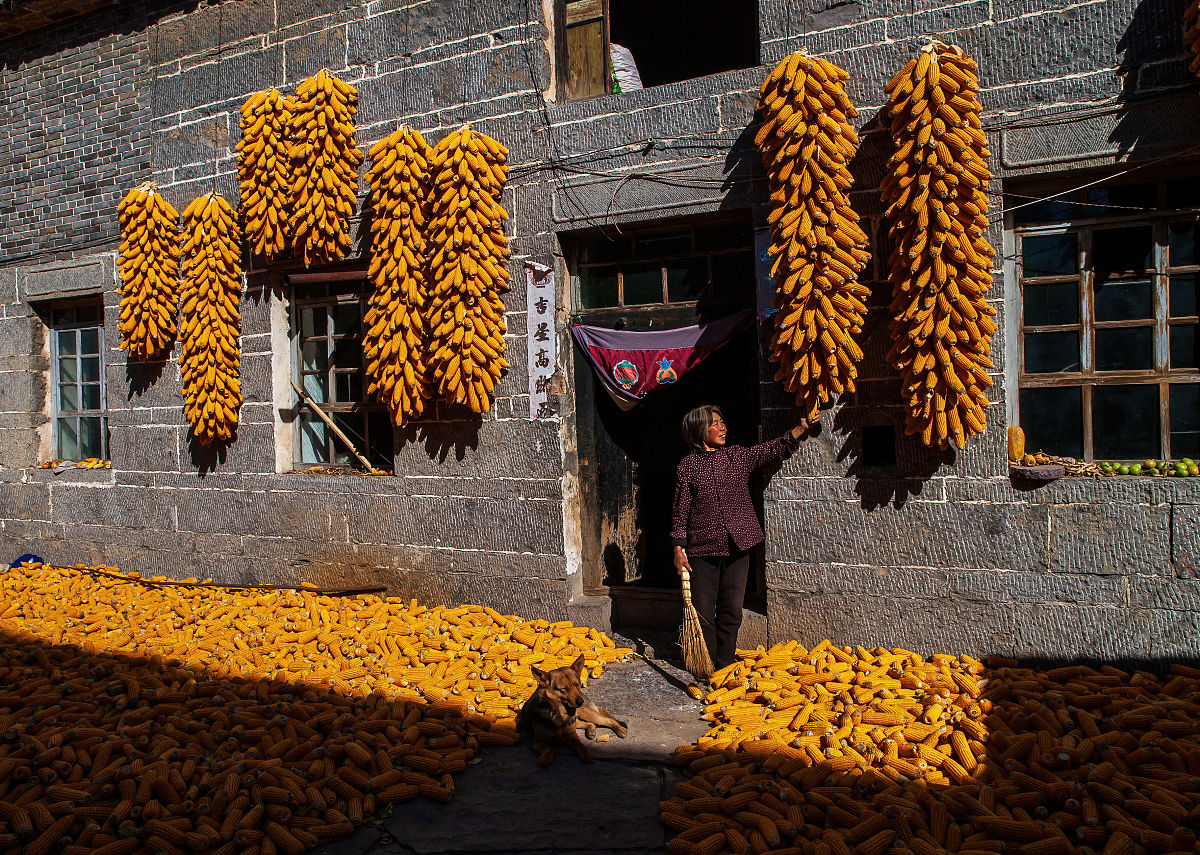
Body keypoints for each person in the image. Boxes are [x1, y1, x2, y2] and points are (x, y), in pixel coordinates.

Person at [670, 405, 809, 670]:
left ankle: (724, 665)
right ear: (699, 430)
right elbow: (680, 509)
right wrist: (679, 547)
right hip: (702, 551)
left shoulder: (737, 456)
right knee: (702, 612)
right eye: (715, 423)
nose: (722, 427)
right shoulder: (687, 467)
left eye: (723, 422)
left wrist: (800, 429)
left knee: (732, 611)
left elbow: (772, 449)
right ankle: (706, 665)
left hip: (739, 546)